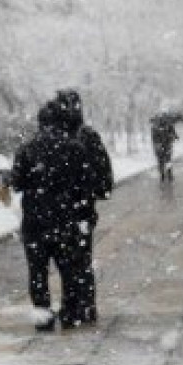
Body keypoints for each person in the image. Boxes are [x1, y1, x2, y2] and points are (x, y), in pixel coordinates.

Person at [10, 100, 97, 331]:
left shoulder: (27, 149)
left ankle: (43, 314)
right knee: (69, 269)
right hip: (65, 219)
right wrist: (85, 216)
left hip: (35, 220)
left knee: (37, 270)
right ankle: (70, 312)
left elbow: (17, 183)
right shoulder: (75, 148)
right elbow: (84, 187)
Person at [54, 89, 112, 324]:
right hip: (81, 209)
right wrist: (92, 192)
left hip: (58, 209)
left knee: (66, 259)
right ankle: (85, 305)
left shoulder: (55, 137)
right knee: (81, 257)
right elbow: (104, 175)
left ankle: (72, 305)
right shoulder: (86, 135)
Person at [150, 113, 180, 183]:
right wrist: (174, 137)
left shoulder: (154, 126)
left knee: (160, 161)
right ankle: (169, 175)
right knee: (168, 160)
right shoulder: (169, 125)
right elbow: (174, 134)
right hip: (167, 145)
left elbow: (154, 138)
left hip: (159, 146)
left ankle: (162, 175)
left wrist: (157, 144)